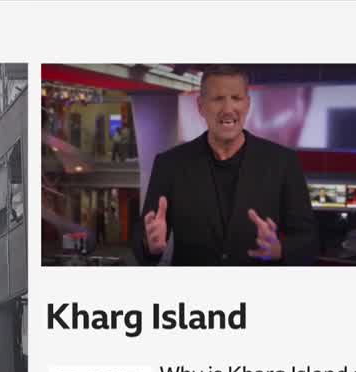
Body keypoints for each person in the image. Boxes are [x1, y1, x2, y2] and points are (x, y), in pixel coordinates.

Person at [135, 65, 317, 266]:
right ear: (200, 106)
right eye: (218, 99)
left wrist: (281, 250)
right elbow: (143, 242)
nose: (228, 109)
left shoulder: (283, 163)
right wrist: (148, 245)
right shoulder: (169, 164)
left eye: (236, 98)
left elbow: (308, 242)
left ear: (247, 104)